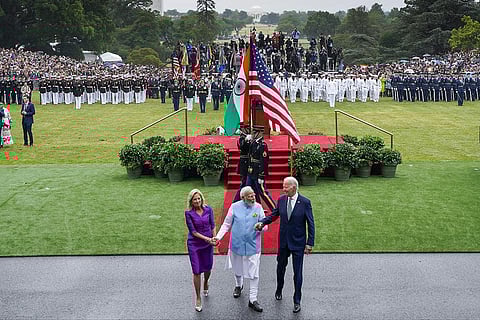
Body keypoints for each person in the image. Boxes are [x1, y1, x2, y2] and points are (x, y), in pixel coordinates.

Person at [255, 177, 315, 313]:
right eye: (283, 186)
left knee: (297, 272)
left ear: (294, 187)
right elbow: (274, 215)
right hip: (283, 242)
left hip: (298, 243)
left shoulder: (305, 202)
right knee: (280, 268)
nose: (283, 189)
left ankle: (297, 300)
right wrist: (263, 222)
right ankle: (279, 289)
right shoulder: (281, 200)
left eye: (286, 187)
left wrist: (310, 243)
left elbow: (311, 223)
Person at [215, 186, 267, 313]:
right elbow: (227, 224)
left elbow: (265, 224)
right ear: (243, 197)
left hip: (253, 245)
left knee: (254, 273)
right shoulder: (234, 207)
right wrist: (218, 237)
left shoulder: (258, 207)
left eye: (253, 195)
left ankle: (253, 299)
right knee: (237, 268)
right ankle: (239, 285)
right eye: (250, 196)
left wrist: (261, 227)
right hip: (237, 245)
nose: (253, 197)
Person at [184, 189, 216, 312]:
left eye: (199, 198)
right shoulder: (188, 213)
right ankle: (198, 297)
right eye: (195, 199)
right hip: (194, 244)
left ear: (202, 199)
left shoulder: (208, 209)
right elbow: (193, 231)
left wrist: (214, 238)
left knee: (208, 268)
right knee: (196, 271)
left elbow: (212, 225)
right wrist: (208, 239)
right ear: (191, 201)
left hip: (208, 243)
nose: (197, 201)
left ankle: (206, 282)